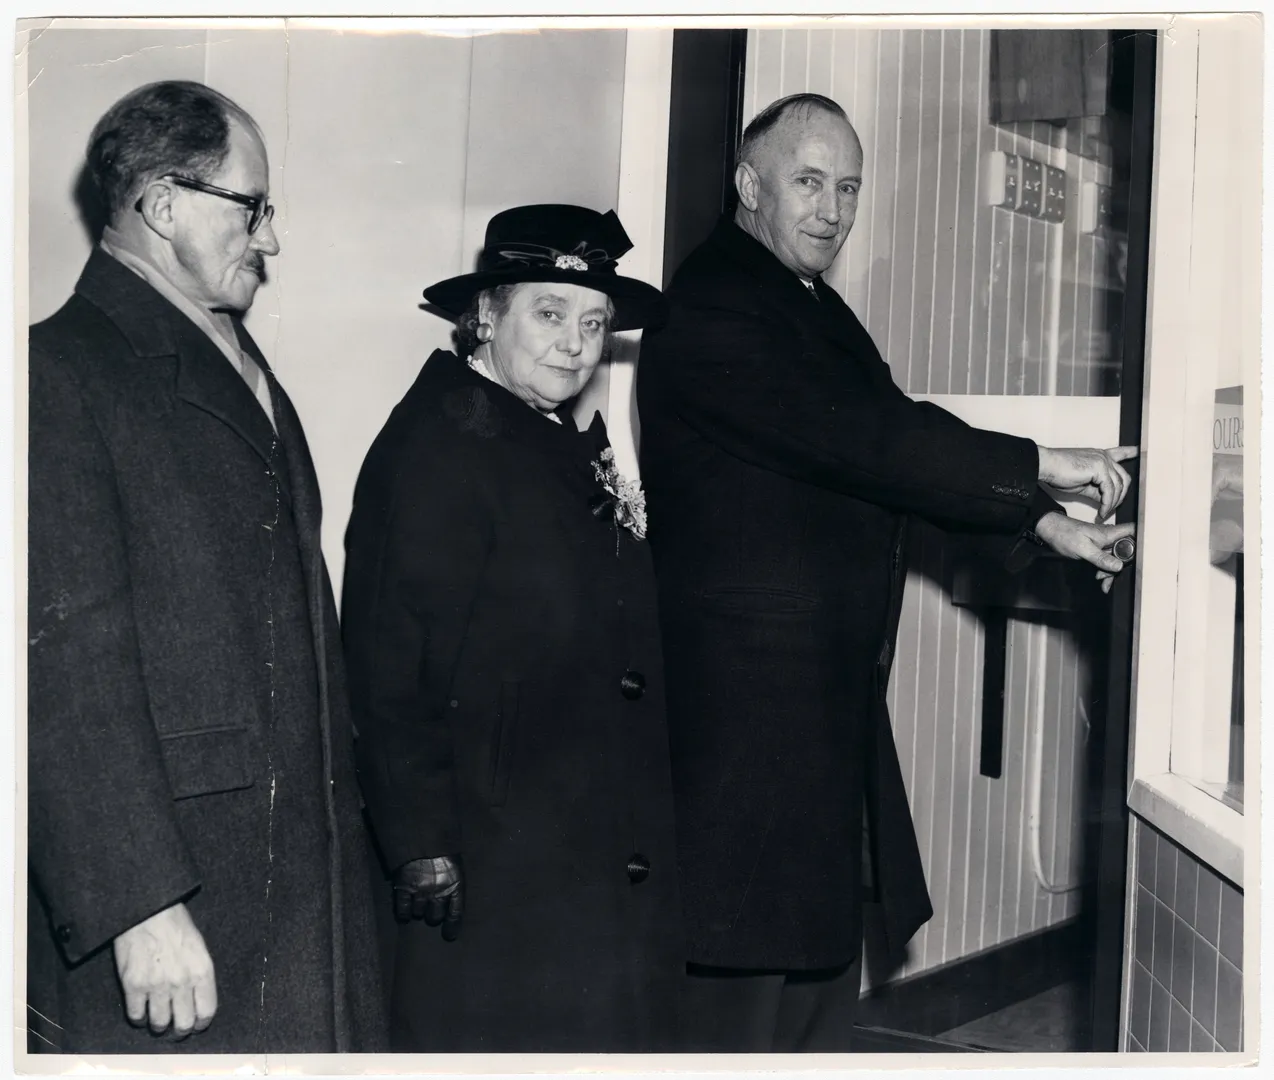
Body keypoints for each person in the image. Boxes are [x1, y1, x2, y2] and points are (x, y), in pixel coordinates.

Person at [636, 92, 1138, 1052]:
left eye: (849, 187)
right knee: (741, 988)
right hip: (744, 708)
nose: (832, 209)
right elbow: (869, 439)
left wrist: (1043, 524)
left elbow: (896, 433)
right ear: (749, 184)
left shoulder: (803, 302)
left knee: (813, 964)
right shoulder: (713, 306)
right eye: (809, 182)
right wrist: (1037, 462)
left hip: (808, 697)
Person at [26, 80, 385, 1054]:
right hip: (181, 909)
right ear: (163, 203)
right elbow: (61, 667)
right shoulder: (54, 374)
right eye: (252, 205)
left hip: (292, 894)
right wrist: (139, 905)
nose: (269, 238)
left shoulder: (235, 361)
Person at [340, 204, 686, 1052]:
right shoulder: (440, 444)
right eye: (551, 313)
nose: (576, 341)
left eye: (595, 322)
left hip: (567, 838)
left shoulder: (541, 437)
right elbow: (389, 662)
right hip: (488, 853)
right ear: (486, 317)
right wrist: (422, 843)